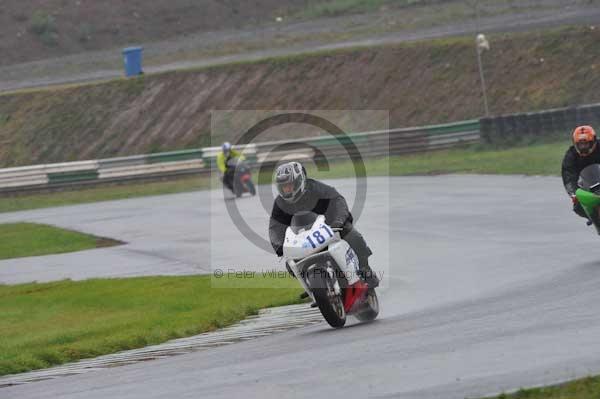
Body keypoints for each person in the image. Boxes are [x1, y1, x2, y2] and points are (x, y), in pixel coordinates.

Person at [268, 161, 379, 288]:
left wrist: (338, 221)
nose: (287, 190)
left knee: (352, 235)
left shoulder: (316, 188)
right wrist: (279, 245)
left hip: (330, 226)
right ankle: (312, 285)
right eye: (283, 187)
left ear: (299, 181)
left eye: (290, 185)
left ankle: (365, 269)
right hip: (303, 236)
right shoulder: (280, 203)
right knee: (290, 263)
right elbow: (275, 227)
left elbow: (338, 201)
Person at [561, 125, 600, 219]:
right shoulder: (571, 156)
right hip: (587, 186)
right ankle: (595, 219)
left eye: (586, 144)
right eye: (580, 144)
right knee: (578, 207)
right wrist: (573, 194)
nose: (583, 147)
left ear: (593, 142)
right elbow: (568, 176)